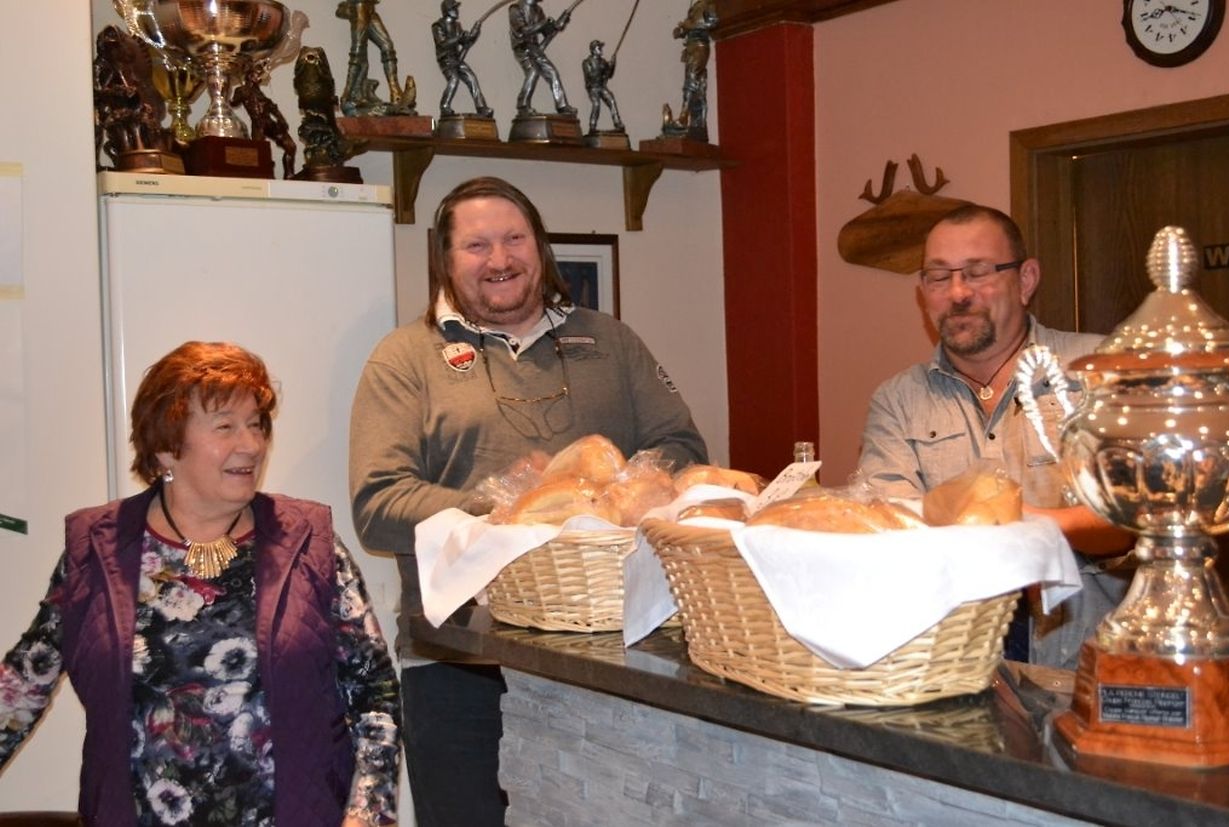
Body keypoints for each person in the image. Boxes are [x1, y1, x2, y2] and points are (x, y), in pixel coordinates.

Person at [349, 176, 708, 826]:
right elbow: (378, 504)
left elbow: (682, 447)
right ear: (445, 260)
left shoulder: (612, 342)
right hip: (459, 664)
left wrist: (612, 492)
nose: (500, 259)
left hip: (611, 659)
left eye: (514, 239)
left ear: (540, 247)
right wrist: (505, 508)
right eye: (476, 245)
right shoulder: (405, 358)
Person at [0, 342, 401, 826]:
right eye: (225, 427)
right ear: (167, 446)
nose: (251, 444)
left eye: (256, 424)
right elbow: (21, 686)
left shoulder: (309, 543)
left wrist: (367, 816)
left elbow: (376, 695)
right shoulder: (96, 550)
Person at [856, 204, 1134, 671]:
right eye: (939, 277)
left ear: (1025, 280)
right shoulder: (898, 401)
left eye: (978, 272)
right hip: (950, 668)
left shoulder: (1100, 370)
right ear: (923, 293)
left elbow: (1134, 518)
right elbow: (889, 530)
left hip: (1092, 671)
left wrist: (1030, 525)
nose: (958, 293)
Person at [662, 0, 717, 140]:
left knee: (691, 81)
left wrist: (690, 26)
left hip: (700, 47)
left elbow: (712, 22)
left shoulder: (708, 4)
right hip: (691, 47)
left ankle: (683, 116)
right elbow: (690, 25)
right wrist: (681, 31)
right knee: (694, 84)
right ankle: (696, 122)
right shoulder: (694, 6)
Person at [509, 0, 575, 116]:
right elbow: (524, 31)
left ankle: (562, 106)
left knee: (552, 72)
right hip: (522, 47)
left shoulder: (538, 10)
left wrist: (559, 25)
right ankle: (522, 105)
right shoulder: (515, 9)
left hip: (534, 48)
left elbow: (547, 32)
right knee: (533, 71)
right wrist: (544, 23)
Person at [433, 0, 493, 118]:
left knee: (471, 78)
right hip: (446, 60)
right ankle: (444, 106)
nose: (457, 11)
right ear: (448, 11)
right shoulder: (437, 26)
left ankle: (481, 107)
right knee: (454, 79)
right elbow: (443, 44)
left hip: (457, 59)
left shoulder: (457, 26)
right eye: (454, 8)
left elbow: (466, 41)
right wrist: (459, 38)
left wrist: (474, 33)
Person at [582, 39, 624, 134]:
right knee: (596, 104)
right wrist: (601, 69)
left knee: (611, 100)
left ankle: (618, 123)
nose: (601, 50)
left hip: (601, 87)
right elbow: (590, 76)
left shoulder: (603, 62)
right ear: (593, 50)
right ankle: (592, 126)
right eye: (599, 48)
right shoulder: (587, 62)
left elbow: (609, 75)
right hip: (593, 88)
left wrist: (612, 65)